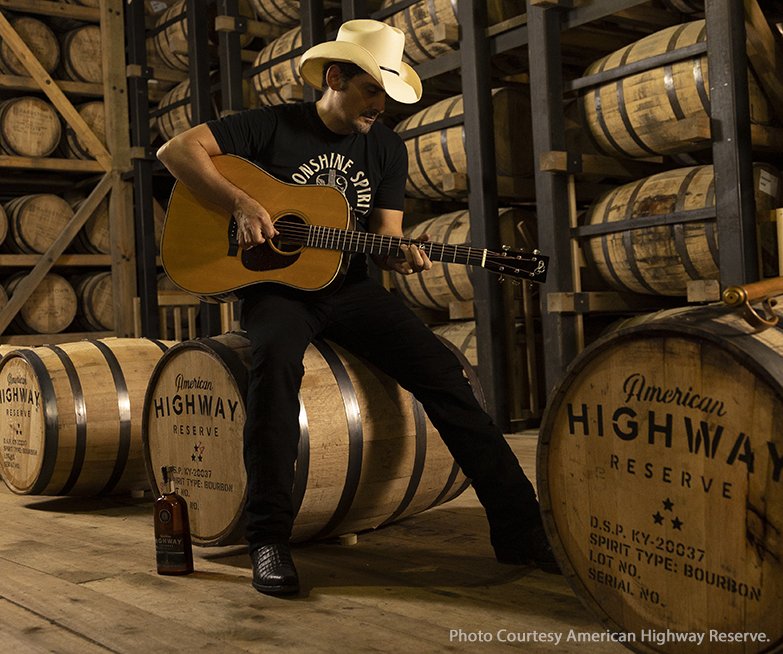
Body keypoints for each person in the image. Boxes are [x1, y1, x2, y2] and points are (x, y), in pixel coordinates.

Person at [156, 19, 559, 596]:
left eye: (388, 96)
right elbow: (178, 150)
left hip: (349, 288)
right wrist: (243, 203)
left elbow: (387, 234)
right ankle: (268, 538)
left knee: (445, 373)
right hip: (278, 290)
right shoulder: (272, 125)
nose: (380, 107)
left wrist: (401, 257)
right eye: (372, 92)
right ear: (336, 76)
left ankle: (521, 531)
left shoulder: (385, 147)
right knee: (272, 366)